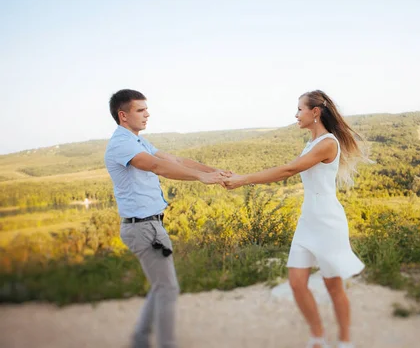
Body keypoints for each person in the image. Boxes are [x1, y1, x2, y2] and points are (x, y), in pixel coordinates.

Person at [224, 90, 369, 348]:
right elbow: (289, 168)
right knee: (296, 283)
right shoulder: (310, 144)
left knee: (333, 286)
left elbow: (288, 170)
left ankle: (346, 341)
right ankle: (318, 336)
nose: (296, 114)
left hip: (327, 223)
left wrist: (243, 179)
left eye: (300, 109)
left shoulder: (328, 143)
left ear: (315, 112)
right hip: (308, 221)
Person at [104, 89, 227, 348]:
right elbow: (156, 167)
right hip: (144, 228)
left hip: (149, 226)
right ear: (123, 115)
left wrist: (213, 171)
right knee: (167, 289)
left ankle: (139, 338)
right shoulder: (121, 144)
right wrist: (200, 178)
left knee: (161, 286)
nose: (147, 113)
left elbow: (174, 159)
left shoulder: (138, 141)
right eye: (141, 109)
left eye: (146, 109)